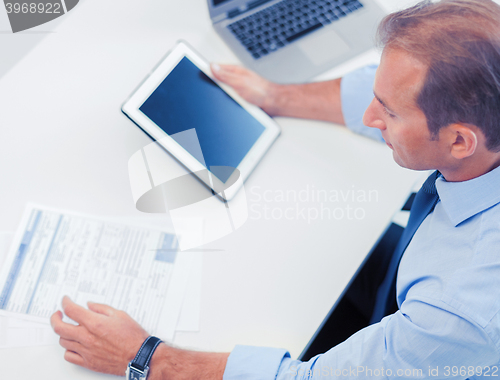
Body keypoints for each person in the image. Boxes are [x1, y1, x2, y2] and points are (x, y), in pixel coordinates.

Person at [51, 0, 500, 378]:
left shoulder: (459, 308)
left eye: (389, 113)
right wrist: (273, 96)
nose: (369, 117)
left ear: (460, 141)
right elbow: (382, 87)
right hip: (410, 284)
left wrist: (147, 358)